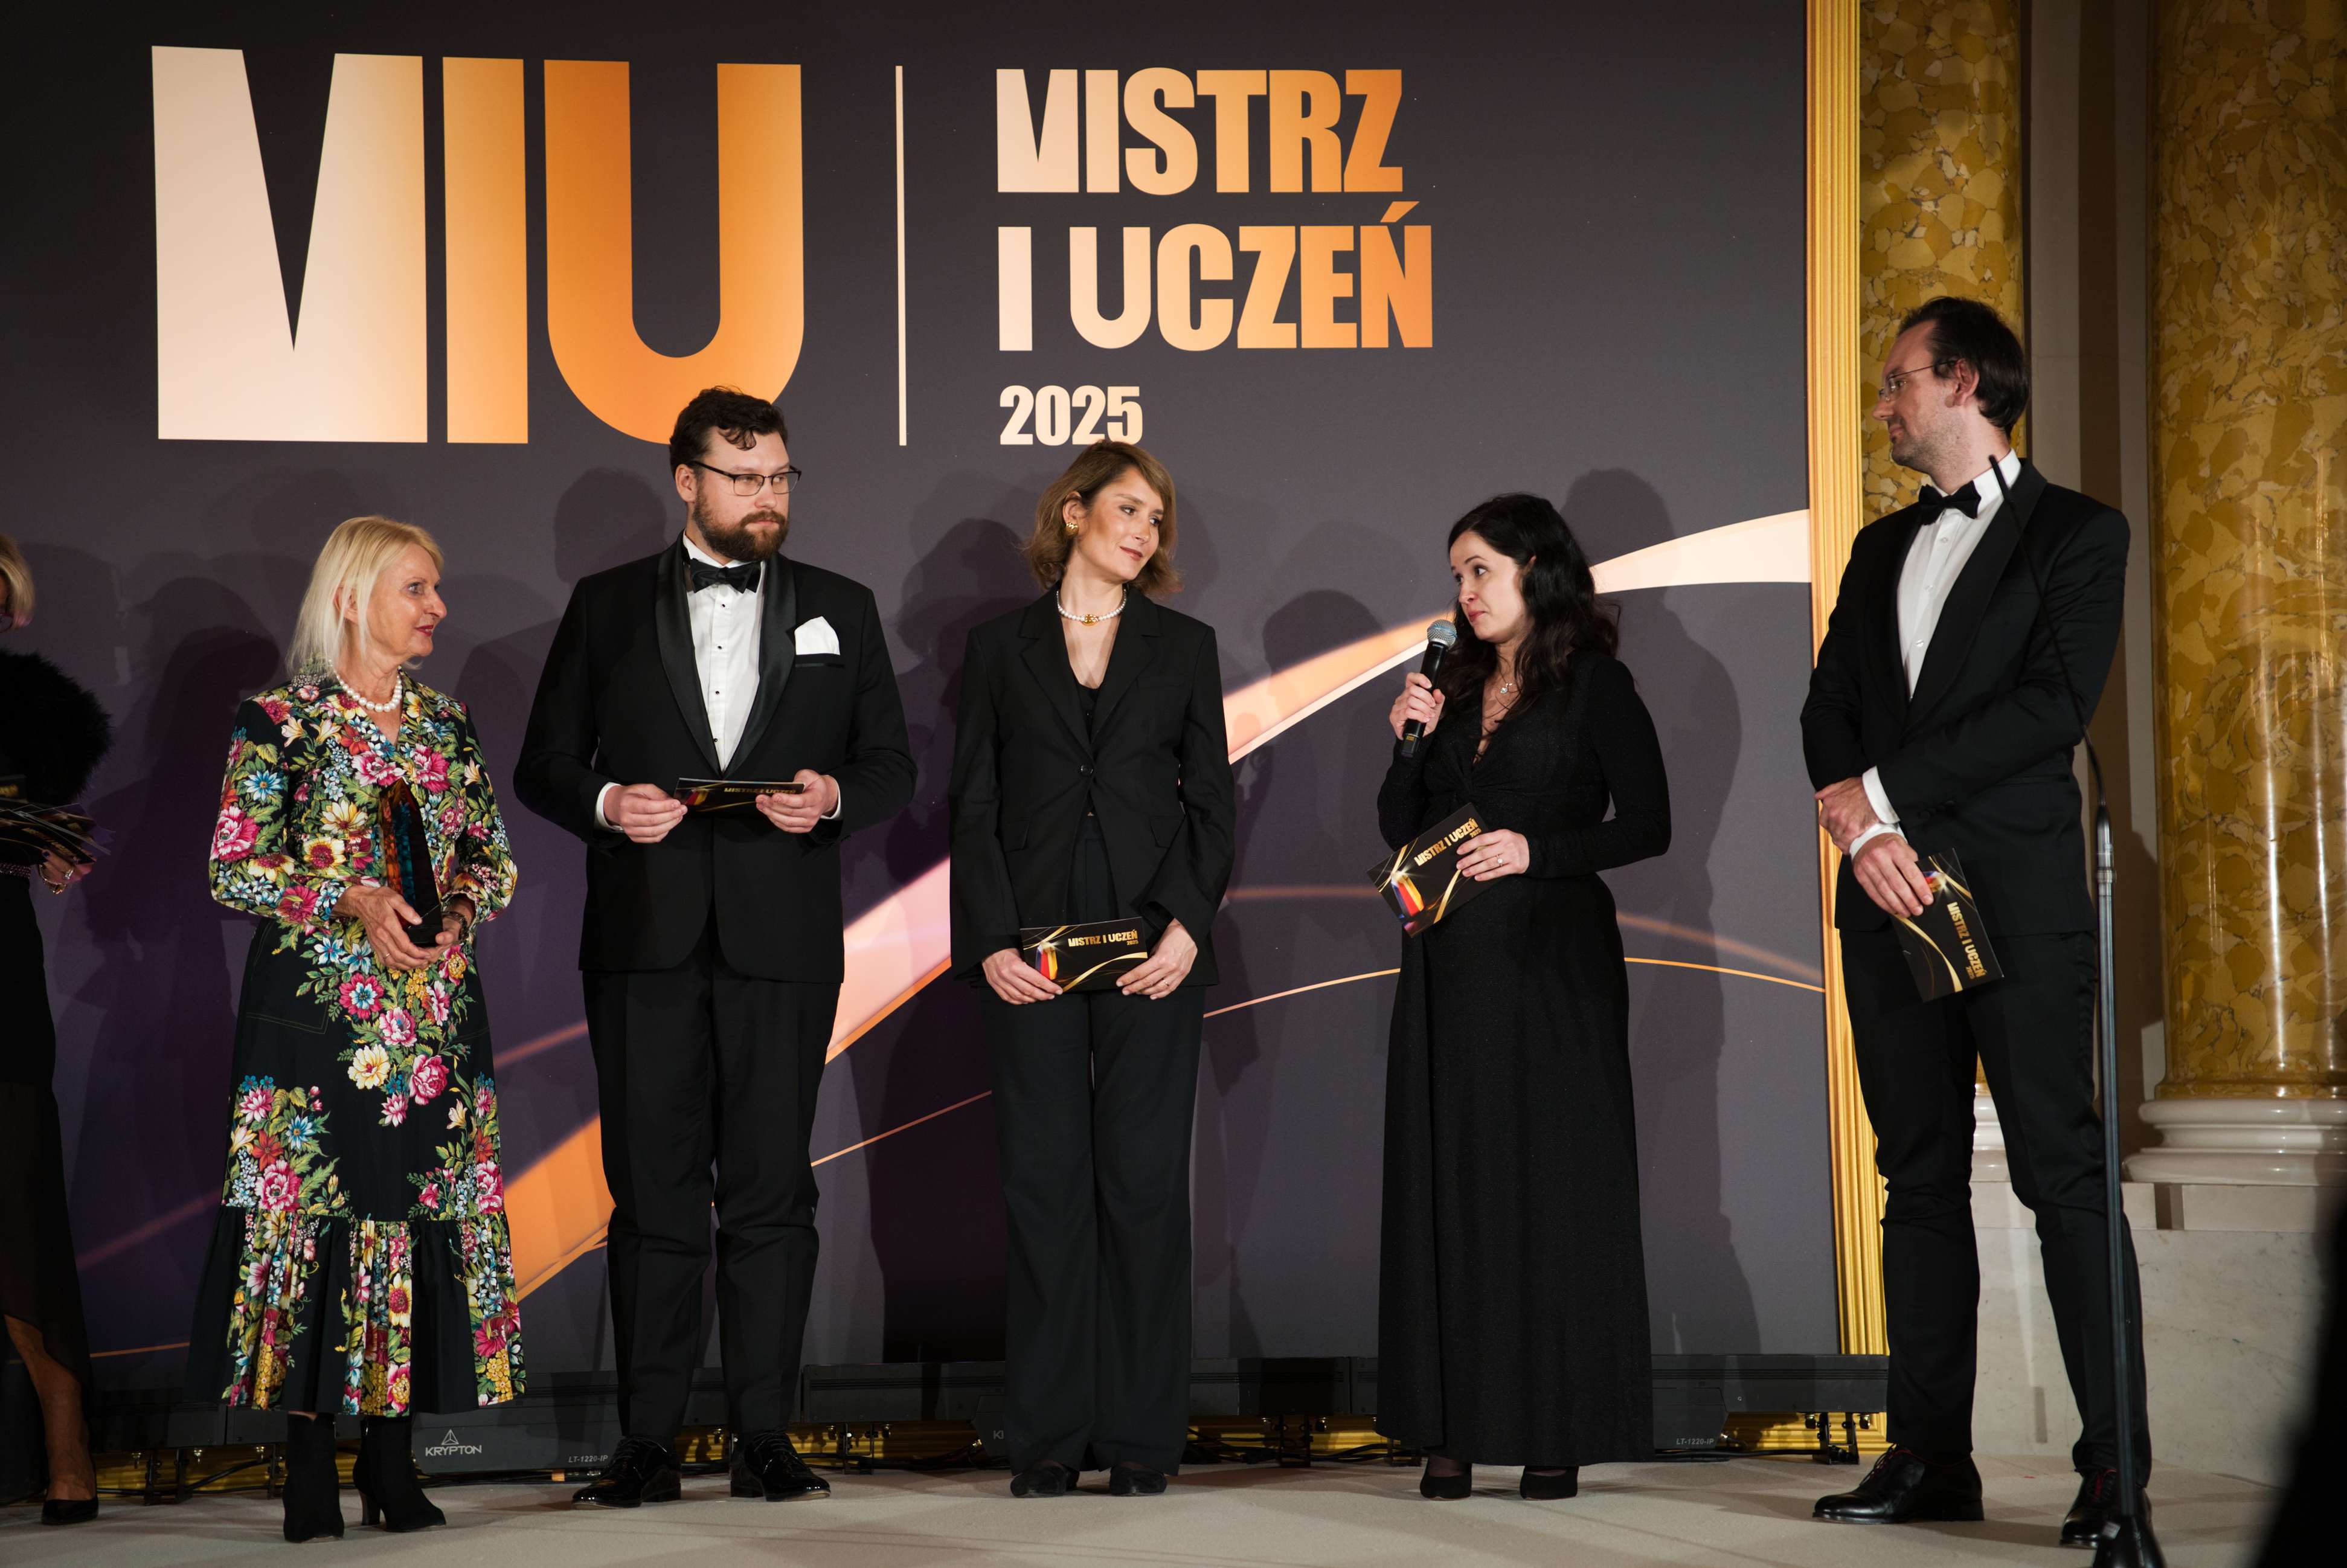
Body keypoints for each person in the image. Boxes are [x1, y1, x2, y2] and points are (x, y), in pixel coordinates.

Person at [517, 387, 914, 1508]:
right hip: (643, 939)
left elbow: (889, 766)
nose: (768, 497)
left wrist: (832, 796)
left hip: (782, 943)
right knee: (651, 1196)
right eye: (746, 479)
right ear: (687, 482)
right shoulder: (604, 605)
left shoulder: (842, 605)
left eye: (780, 476)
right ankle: (647, 1440)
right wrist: (608, 804)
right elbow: (545, 763)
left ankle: (764, 1437)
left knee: (772, 1195)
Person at [1801, 295, 2148, 1542]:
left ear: (1962, 383)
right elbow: (1826, 710)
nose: (1882, 403)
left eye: (1897, 380)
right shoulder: (1875, 549)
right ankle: (1928, 1456)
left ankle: (2112, 1470)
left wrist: (1882, 797)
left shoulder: (2077, 532)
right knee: (1917, 1177)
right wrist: (1863, 835)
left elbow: (2050, 705)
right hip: (1886, 895)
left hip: (2016, 896)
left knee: (2061, 1172)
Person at [185, 516, 524, 1542]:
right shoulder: (278, 722)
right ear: (351, 597)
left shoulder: (445, 723)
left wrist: (455, 912)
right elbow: (234, 865)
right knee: (311, 1220)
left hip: (432, 1023)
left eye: (436, 588)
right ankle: (305, 1462)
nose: (438, 608)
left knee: (411, 1218)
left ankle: (390, 1458)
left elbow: (491, 858)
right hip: (312, 1025)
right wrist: (350, 897)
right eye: (416, 589)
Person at [948, 442, 1235, 1498]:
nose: (1144, 532)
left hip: (1152, 945)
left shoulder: (1184, 647)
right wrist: (989, 942)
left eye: (1156, 519)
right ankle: (1048, 1439)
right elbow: (972, 807)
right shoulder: (998, 649)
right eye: (1127, 510)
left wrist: (1187, 929)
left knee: (1145, 1189)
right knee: (1044, 1190)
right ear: (1072, 513)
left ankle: (1144, 1439)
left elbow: (1212, 805)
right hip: (1028, 947)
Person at [1375, 493, 1669, 1501]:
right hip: (1449, 966)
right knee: (1453, 1181)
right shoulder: (1449, 687)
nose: (1463, 592)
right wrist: (1408, 741)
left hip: (1554, 965)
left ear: (1535, 569)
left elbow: (1650, 825)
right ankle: (1449, 1428)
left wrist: (1538, 850)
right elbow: (1398, 826)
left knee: (1552, 1188)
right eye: (1455, 575)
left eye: (1480, 571)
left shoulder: (1595, 683)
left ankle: (1555, 1428)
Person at [0, 535, 110, 1527]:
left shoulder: (34, 713)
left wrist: (50, 847)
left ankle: (69, 1447)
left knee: (19, 1202)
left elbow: (49, 822)